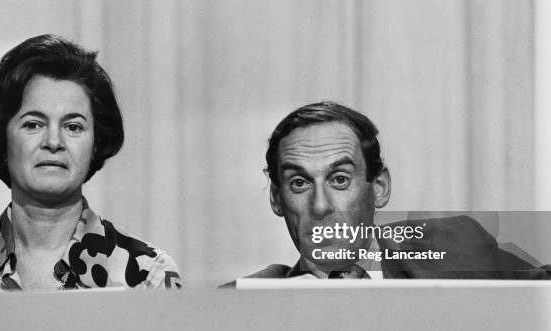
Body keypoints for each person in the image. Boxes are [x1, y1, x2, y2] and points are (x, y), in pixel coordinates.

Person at [0, 34, 182, 291]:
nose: (54, 141)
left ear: (96, 143)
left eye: (73, 126)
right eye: (33, 124)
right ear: (2, 138)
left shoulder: (147, 276)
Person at [223, 101, 550, 285]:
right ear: (277, 200)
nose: (320, 206)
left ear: (379, 188)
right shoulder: (247, 304)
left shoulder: (459, 246)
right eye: (299, 183)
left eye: (339, 179)